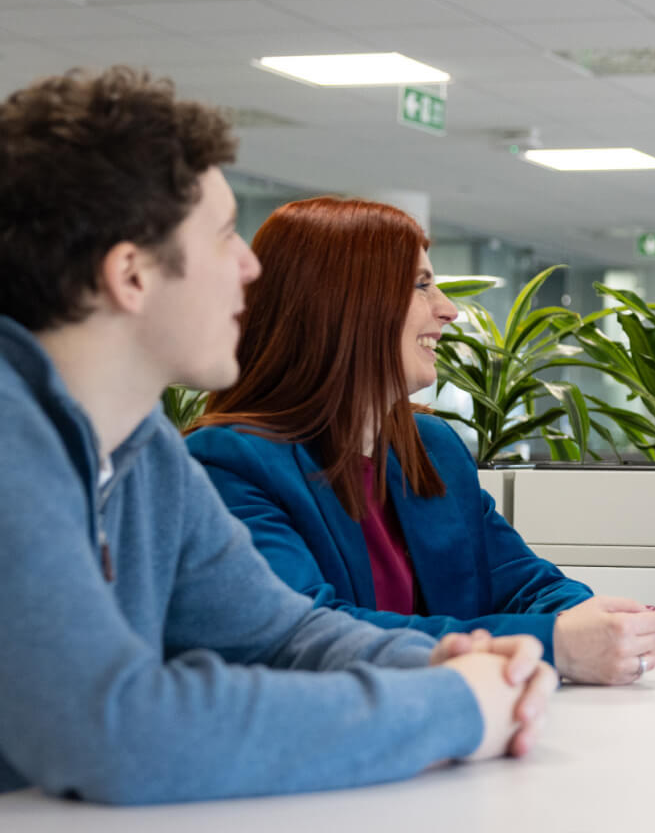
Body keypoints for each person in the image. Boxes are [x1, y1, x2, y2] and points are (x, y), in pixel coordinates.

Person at [0, 66, 554, 804]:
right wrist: (453, 707)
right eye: (226, 235)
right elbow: (115, 727)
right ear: (131, 275)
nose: (251, 266)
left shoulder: (143, 448)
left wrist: (440, 662)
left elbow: (277, 635)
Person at [186, 196, 655, 686]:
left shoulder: (432, 447)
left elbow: (522, 583)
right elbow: (309, 636)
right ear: (343, 303)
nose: (449, 311)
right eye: (420, 286)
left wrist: (592, 617)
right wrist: (552, 643)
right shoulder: (230, 464)